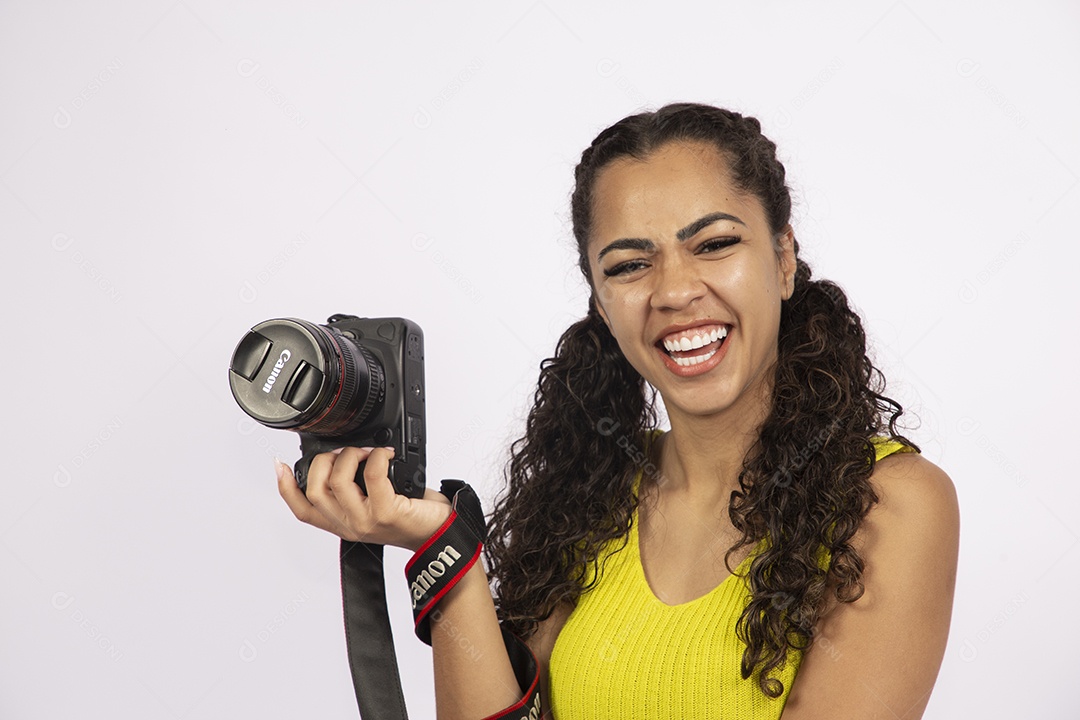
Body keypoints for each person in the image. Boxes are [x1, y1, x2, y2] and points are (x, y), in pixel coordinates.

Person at [276, 102, 960, 719]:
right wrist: (440, 546)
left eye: (715, 244)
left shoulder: (890, 503)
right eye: (631, 265)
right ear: (600, 302)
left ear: (783, 259)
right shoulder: (593, 491)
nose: (674, 290)